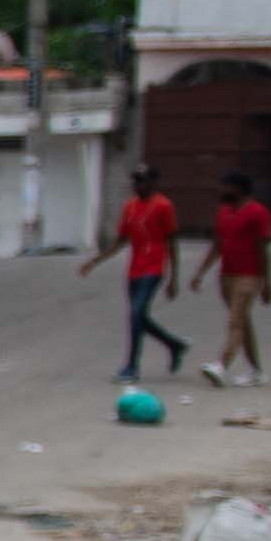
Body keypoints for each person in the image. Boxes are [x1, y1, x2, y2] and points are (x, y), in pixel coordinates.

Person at [79, 161, 185, 382]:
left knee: (136, 315)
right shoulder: (130, 207)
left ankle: (131, 366)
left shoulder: (163, 206)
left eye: (142, 181)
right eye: (135, 181)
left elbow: (171, 242)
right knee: (139, 317)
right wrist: (94, 262)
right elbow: (120, 241)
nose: (138, 185)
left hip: (154, 268)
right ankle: (174, 345)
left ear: (153, 183)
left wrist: (174, 277)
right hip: (135, 270)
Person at [190, 166, 271, 385]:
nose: (222, 190)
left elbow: (263, 249)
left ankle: (221, 366)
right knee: (242, 322)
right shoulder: (224, 212)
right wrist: (200, 272)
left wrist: (267, 283)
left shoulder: (258, 212)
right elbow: (217, 245)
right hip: (226, 276)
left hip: (249, 276)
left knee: (235, 320)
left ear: (238, 188)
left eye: (226, 186)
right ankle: (256, 371)